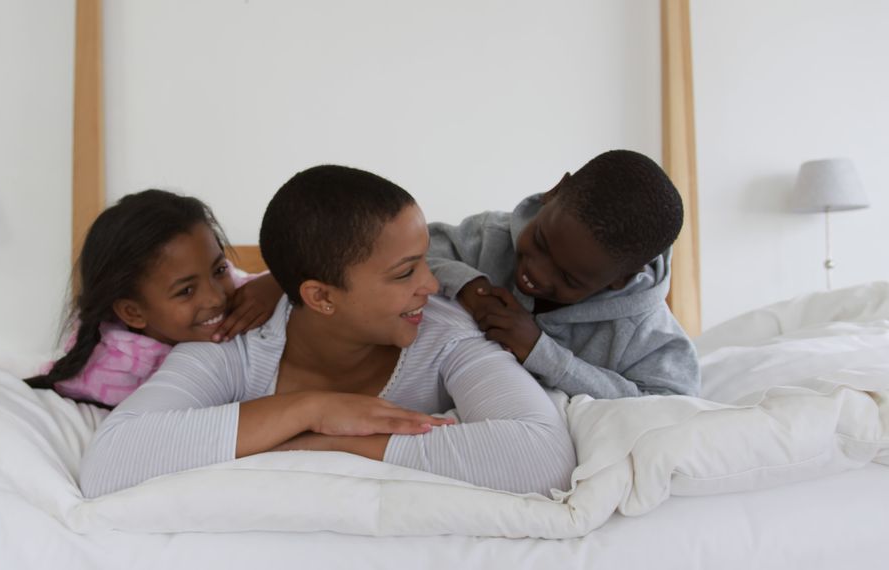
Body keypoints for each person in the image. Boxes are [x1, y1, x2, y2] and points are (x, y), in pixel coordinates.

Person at [79, 165, 576, 497]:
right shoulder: (233, 346)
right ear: (320, 297)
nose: (433, 285)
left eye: (426, 260)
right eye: (405, 273)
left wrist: (325, 442)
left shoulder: (444, 334)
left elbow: (542, 456)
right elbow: (112, 461)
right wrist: (314, 408)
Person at [427, 149, 700, 399]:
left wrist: (543, 354)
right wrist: (469, 286)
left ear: (621, 279)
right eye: (539, 241)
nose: (535, 273)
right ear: (555, 191)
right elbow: (400, 255)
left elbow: (671, 408)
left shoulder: (647, 335)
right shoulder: (488, 237)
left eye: (569, 278)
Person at [24, 189, 282, 407]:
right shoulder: (116, 375)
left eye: (219, 269)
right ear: (133, 313)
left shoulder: (249, 296)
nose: (215, 298)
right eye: (186, 291)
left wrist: (278, 282)